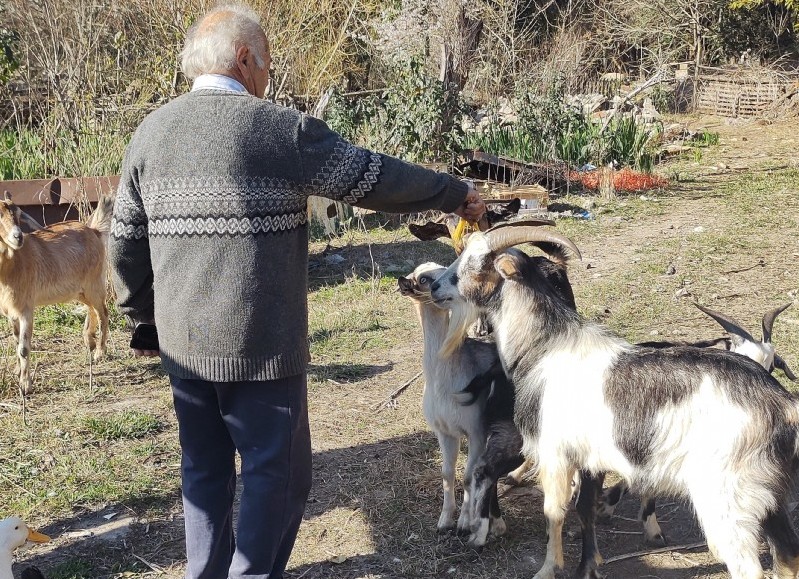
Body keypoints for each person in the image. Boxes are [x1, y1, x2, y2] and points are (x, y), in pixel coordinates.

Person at [108, 4, 485, 579]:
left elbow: (125, 246)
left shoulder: (150, 133)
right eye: (266, 61)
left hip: (184, 347)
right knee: (275, 473)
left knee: (203, 472)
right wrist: (452, 192)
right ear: (242, 58)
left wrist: (145, 320)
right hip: (261, 347)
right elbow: (373, 179)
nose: (268, 74)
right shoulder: (281, 131)